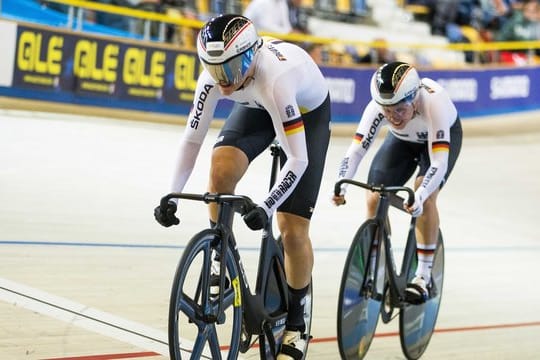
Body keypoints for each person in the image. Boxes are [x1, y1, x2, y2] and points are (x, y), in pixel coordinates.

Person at [154, 14, 331, 359]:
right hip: (255, 104)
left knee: (291, 227)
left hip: (304, 112)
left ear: (250, 56)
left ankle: (297, 323)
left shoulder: (274, 80)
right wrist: (170, 192)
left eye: (228, 69)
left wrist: (265, 206)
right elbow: (192, 140)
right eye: (213, 68)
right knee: (220, 172)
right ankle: (223, 257)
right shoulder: (218, 77)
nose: (221, 80)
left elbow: (298, 160)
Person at [332, 61, 462, 304]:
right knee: (374, 194)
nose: (393, 117)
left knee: (424, 194)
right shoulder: (379, 107)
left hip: (437, 143)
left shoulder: (434, 104)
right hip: (402, 141)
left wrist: (422, 194)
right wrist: (341, 182)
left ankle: (422, 277)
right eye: (387, 111)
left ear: (414, 99)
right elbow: (356, 150)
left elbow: (439, 162)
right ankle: (377, 263)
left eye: (400, 110)